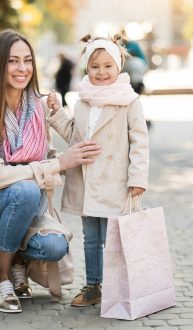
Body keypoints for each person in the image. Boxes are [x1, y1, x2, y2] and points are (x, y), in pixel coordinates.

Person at [0, 29, 101, 313]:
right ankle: (1, 277)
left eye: (27, 60)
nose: (22, 69)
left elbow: (48, 154)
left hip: (30, 207)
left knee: (54, 247)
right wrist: (57, 165)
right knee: (24, 189)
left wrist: (61, 141)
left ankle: (17, 262)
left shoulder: (38, 106)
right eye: (12, 61)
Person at [47, 34, 149, 307]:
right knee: (91, 238)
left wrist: (138, 178)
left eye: (108, 66)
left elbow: (140, 142)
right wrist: (57, 113)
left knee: (112, 238)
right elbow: (73, 135)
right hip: (86, 182)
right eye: (95, 67)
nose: (101, 72)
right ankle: (93, 286)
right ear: (86, 69)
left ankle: (119, 287)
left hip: (116, 182)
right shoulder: (83, 101)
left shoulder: (129, 101)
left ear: (118, 68)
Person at [120, 29, 148, 95]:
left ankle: (138, 89)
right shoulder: (122, 44)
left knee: (136, 79)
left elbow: (129, 54)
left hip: (138, 64)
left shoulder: (133, 44)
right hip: (132, 67)